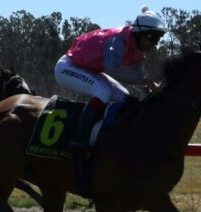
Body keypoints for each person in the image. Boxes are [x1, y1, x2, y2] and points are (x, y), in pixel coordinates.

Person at [54, 9, 169, 143]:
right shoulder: (119, 39)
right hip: (68, 67)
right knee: (104, 91)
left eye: (158, 39)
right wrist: (144, 81)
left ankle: (104, 136)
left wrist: (149, 90)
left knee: (123, 97)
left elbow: (138, 79)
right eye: (153, 37)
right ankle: (79, 137)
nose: (155, 43)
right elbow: (112, 68)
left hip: (90, 70)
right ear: (139, 33)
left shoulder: (138, 51)